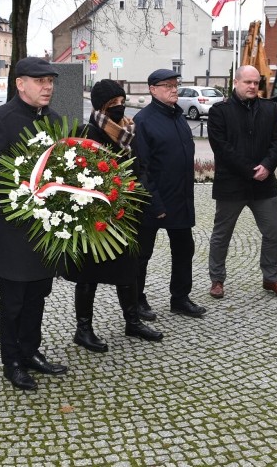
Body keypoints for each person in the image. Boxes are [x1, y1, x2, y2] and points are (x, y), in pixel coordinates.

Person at [0, 57, 69, 391]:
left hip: (48, 226)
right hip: (16, 227)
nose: (48, 87)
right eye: (40, 81)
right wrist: (25, 182)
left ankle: (31, 352)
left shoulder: (55, 120)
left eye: (50, 81)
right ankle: (12, 360)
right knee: (14, 298)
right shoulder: (1, 119)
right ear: (20, 83)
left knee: (38, 294)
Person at [64, 79, 163, 353]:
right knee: (89, 275)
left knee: (128, 269)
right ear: (102, 106)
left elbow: (139, 165)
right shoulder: (87, 132)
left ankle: (132, 321)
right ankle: (83, 329)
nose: (120, 108)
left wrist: (139, 191)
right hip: (95, 215)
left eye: (122, 101)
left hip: (125, 214)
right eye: (114, 104)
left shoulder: (127, 131)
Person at [207, 65, 277, 300]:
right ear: (236, 82)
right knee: (222, 234)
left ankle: (271, 278)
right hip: (231, 184)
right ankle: (217, 279)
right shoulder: (219, 111)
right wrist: (250, 170)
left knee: (273, 231)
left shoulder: (270, 108)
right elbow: (221, 148)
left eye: (256, 82)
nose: (253, 86)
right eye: (248, 82)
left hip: (264, 185)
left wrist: (267, 166)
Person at [132, 69, 206, 320]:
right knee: (142, 254)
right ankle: (136, 299)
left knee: (184, 249)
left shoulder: (178, 116)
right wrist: (155, 203)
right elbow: (141, 168)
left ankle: (180, 298)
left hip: (181, 198)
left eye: (175, 84)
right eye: (167, 85)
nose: (174, 89)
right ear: (153, 89)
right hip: (154, 202)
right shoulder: (143, 121)